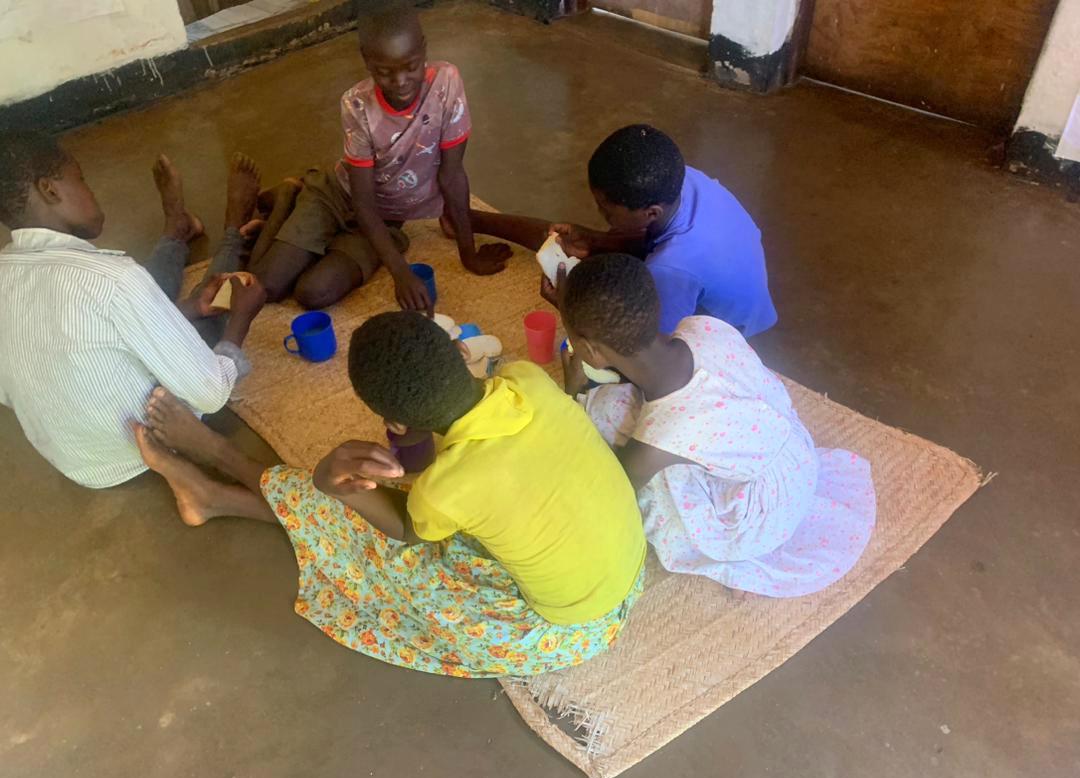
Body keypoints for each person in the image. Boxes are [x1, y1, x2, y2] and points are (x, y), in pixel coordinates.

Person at [133, 311, 647, 677]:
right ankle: (213, 497)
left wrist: (330, 481)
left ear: (395, 424)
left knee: (364, 533)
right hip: (625, 573)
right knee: (405, 511)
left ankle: (218, 459)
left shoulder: (445, 490)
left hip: (560, 632)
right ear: (460, 353)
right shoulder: (526, 378)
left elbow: (404, 531)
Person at [558, 253, 875, 597]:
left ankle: (736, 557)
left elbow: (613, 489)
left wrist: (573, 392)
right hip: (796, 457)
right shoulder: (701, 327)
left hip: (760, 520)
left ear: (591, 351)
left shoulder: (662, 437)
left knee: (601, 413)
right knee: (615, 404)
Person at [0, 131, 267, 488]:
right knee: (205, 309)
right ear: (50, 190)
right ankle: (233, 231)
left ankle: (176, 231)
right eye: (82, 179)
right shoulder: (114, 279)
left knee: (142, 295)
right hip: (145, 443)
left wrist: (187, 309)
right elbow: (211, 392)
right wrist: (241, 318)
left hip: (80, 465)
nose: (91, 192)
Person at [251, 1, 511, 313]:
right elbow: (362, 202)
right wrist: (400, 273)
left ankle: (320, 235)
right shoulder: (356, 104)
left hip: (383, 218)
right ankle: (288, 197)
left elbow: (452, 176)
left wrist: (469, 254)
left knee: (312, 293)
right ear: (367, 61)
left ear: (423, 50)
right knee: (268, 287)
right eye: (385, 73)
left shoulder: (446, 84)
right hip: (336, 196)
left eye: (411, 67)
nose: (400, 82)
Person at [469, 123, 777, 337]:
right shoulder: (680, 180)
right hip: (725, 283)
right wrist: (595, 240)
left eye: (607, 210)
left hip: (725, 328)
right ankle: (472, 219)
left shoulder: (671, 269)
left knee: (604, 305)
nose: (599, 215)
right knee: (568, 244)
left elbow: (650, 352)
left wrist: (569, 309)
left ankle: (473, 220)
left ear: (651, 212)